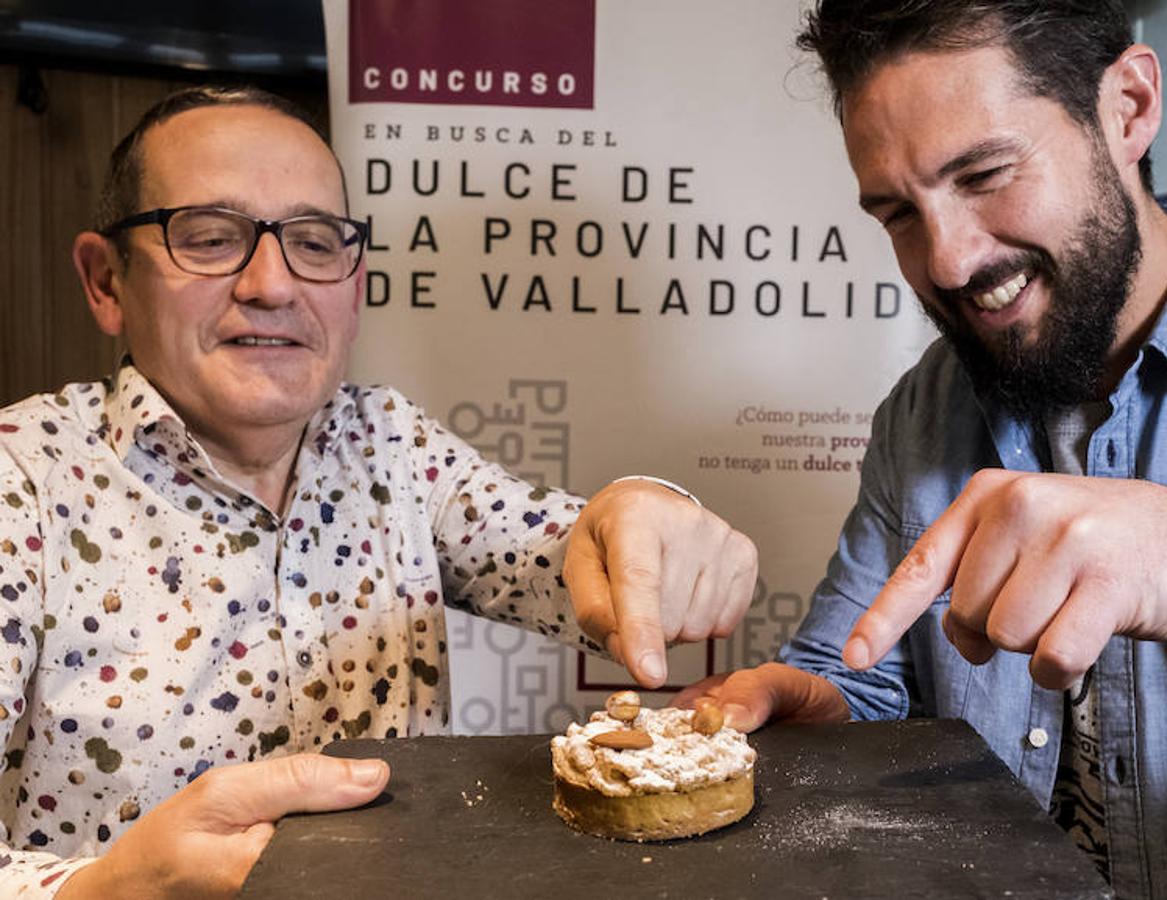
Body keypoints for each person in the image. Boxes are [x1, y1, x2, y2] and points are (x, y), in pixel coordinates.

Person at [674, 2, 1167, 897]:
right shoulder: (924, 411)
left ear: (1129, 107)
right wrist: (815, 709)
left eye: (983, 174)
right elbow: (859, 679)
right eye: (898, 213)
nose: (945, 262)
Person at [0, 86, 756, 898]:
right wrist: (105, 888)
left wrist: (647, 513)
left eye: (316, 243)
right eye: (212, 238)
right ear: (106, 281)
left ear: (353, 286)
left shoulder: (392, 443)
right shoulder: (24, 480)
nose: (272, 284)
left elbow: (564, 555)